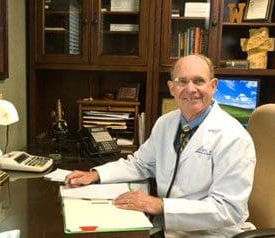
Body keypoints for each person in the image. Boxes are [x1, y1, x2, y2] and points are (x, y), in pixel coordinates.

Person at [65, 54, 256, 237]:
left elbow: (228, 209)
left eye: (198, 81)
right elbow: (140, 164)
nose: (190, 89)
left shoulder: (233, 136)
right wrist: (96, 175)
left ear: (213, 86)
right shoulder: (166, 123)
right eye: (182, 81)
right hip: (166, 226)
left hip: (210, 233)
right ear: (172, 88)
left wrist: (160, 205)